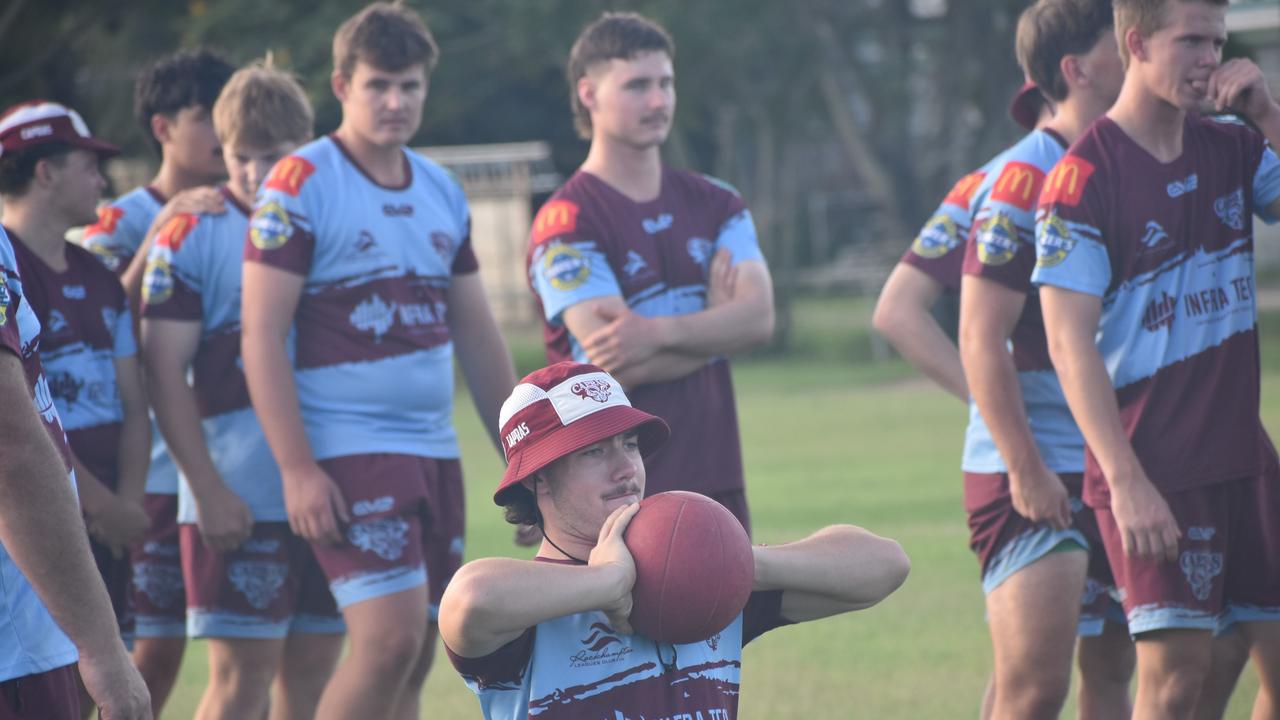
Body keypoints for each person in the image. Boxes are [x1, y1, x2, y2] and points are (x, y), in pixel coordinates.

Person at [240, 5, 517, 719]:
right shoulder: (300, 184)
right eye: (379, 85)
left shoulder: (440, 191)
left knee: (425, 650)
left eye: (411, 87)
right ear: (342, 85)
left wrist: (529, 464)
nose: (396, 102)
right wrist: (298, 468)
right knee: (387, 642)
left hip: (433, 449)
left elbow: (479, 338)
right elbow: (260, 336)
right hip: (349, 448)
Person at [1033, 0, 1280, 716]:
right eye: (1192, 41)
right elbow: (1065, 341)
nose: (1211, 58)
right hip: (1155, 467)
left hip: (1245, 459)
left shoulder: (1233, 148)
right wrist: (1126, 479)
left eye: (1218, 41)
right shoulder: (1084, 178)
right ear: (1137, 43)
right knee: (1173, 685)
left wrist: (1266, 112)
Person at [439, 360, 910, 719]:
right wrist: (608, 582)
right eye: (595, 452)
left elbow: (886, 565)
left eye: (630, 445)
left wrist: (733, 562)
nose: (626, 468)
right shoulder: (519, 615)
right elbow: (470, 598)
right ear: (539, 479)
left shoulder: (700, 580)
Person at [141, 63, 345, 720]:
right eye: (241, 157)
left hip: (334, 488)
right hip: (237, 491)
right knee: (239, 681)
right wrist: (205, 488)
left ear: (305, 148)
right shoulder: (191, 232)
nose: (258, 174)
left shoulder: (331, 217)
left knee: (314, 679)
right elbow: (160, 369)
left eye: (275, 157)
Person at [526, 12, 774, 538]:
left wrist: (656, 332)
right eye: (638, 85)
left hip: (717, 473)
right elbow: (614, 371)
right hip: (610, 494)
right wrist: (715, 325)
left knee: (728, 622)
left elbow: (759, 319)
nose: (659, 101)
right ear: (589, 93)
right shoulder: (567, 221)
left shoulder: (717, 202)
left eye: (666, 83)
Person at [955, 1, 1136, 717]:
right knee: (1034, 688)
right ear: (1079, 68)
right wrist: (1025, 466)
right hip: (1036, 465)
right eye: (1126, 44)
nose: (1139, 55)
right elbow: (979, 335)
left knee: (1115, 670)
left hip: (1121, 453)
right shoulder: (1025, 177)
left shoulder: (1125, 157)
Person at [80, 47, 234, 714]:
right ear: (163, 126)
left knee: (234, 649)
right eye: (205, 116)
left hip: (224, 461)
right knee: (144, 651)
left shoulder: (246, 210)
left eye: (228, 115)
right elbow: (80, 323)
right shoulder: (119, 221)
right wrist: (160, 237)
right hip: (146, 473)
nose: (222, 134)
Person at [0, 100, 150, 719]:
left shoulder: (96, 272)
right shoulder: (13, 257)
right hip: (38, 554)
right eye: (89, 165)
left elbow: (133, 400)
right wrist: (95, 503)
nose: (103, 180)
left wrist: (127, 502)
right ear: (44, 172)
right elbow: (15, 437)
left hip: (86, 530)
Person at [873, 81, 1050, 404]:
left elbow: (896, 309)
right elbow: (897, 311)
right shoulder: (1013, 179)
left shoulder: (983, 178)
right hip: (1054, 431)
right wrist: (990, 404)